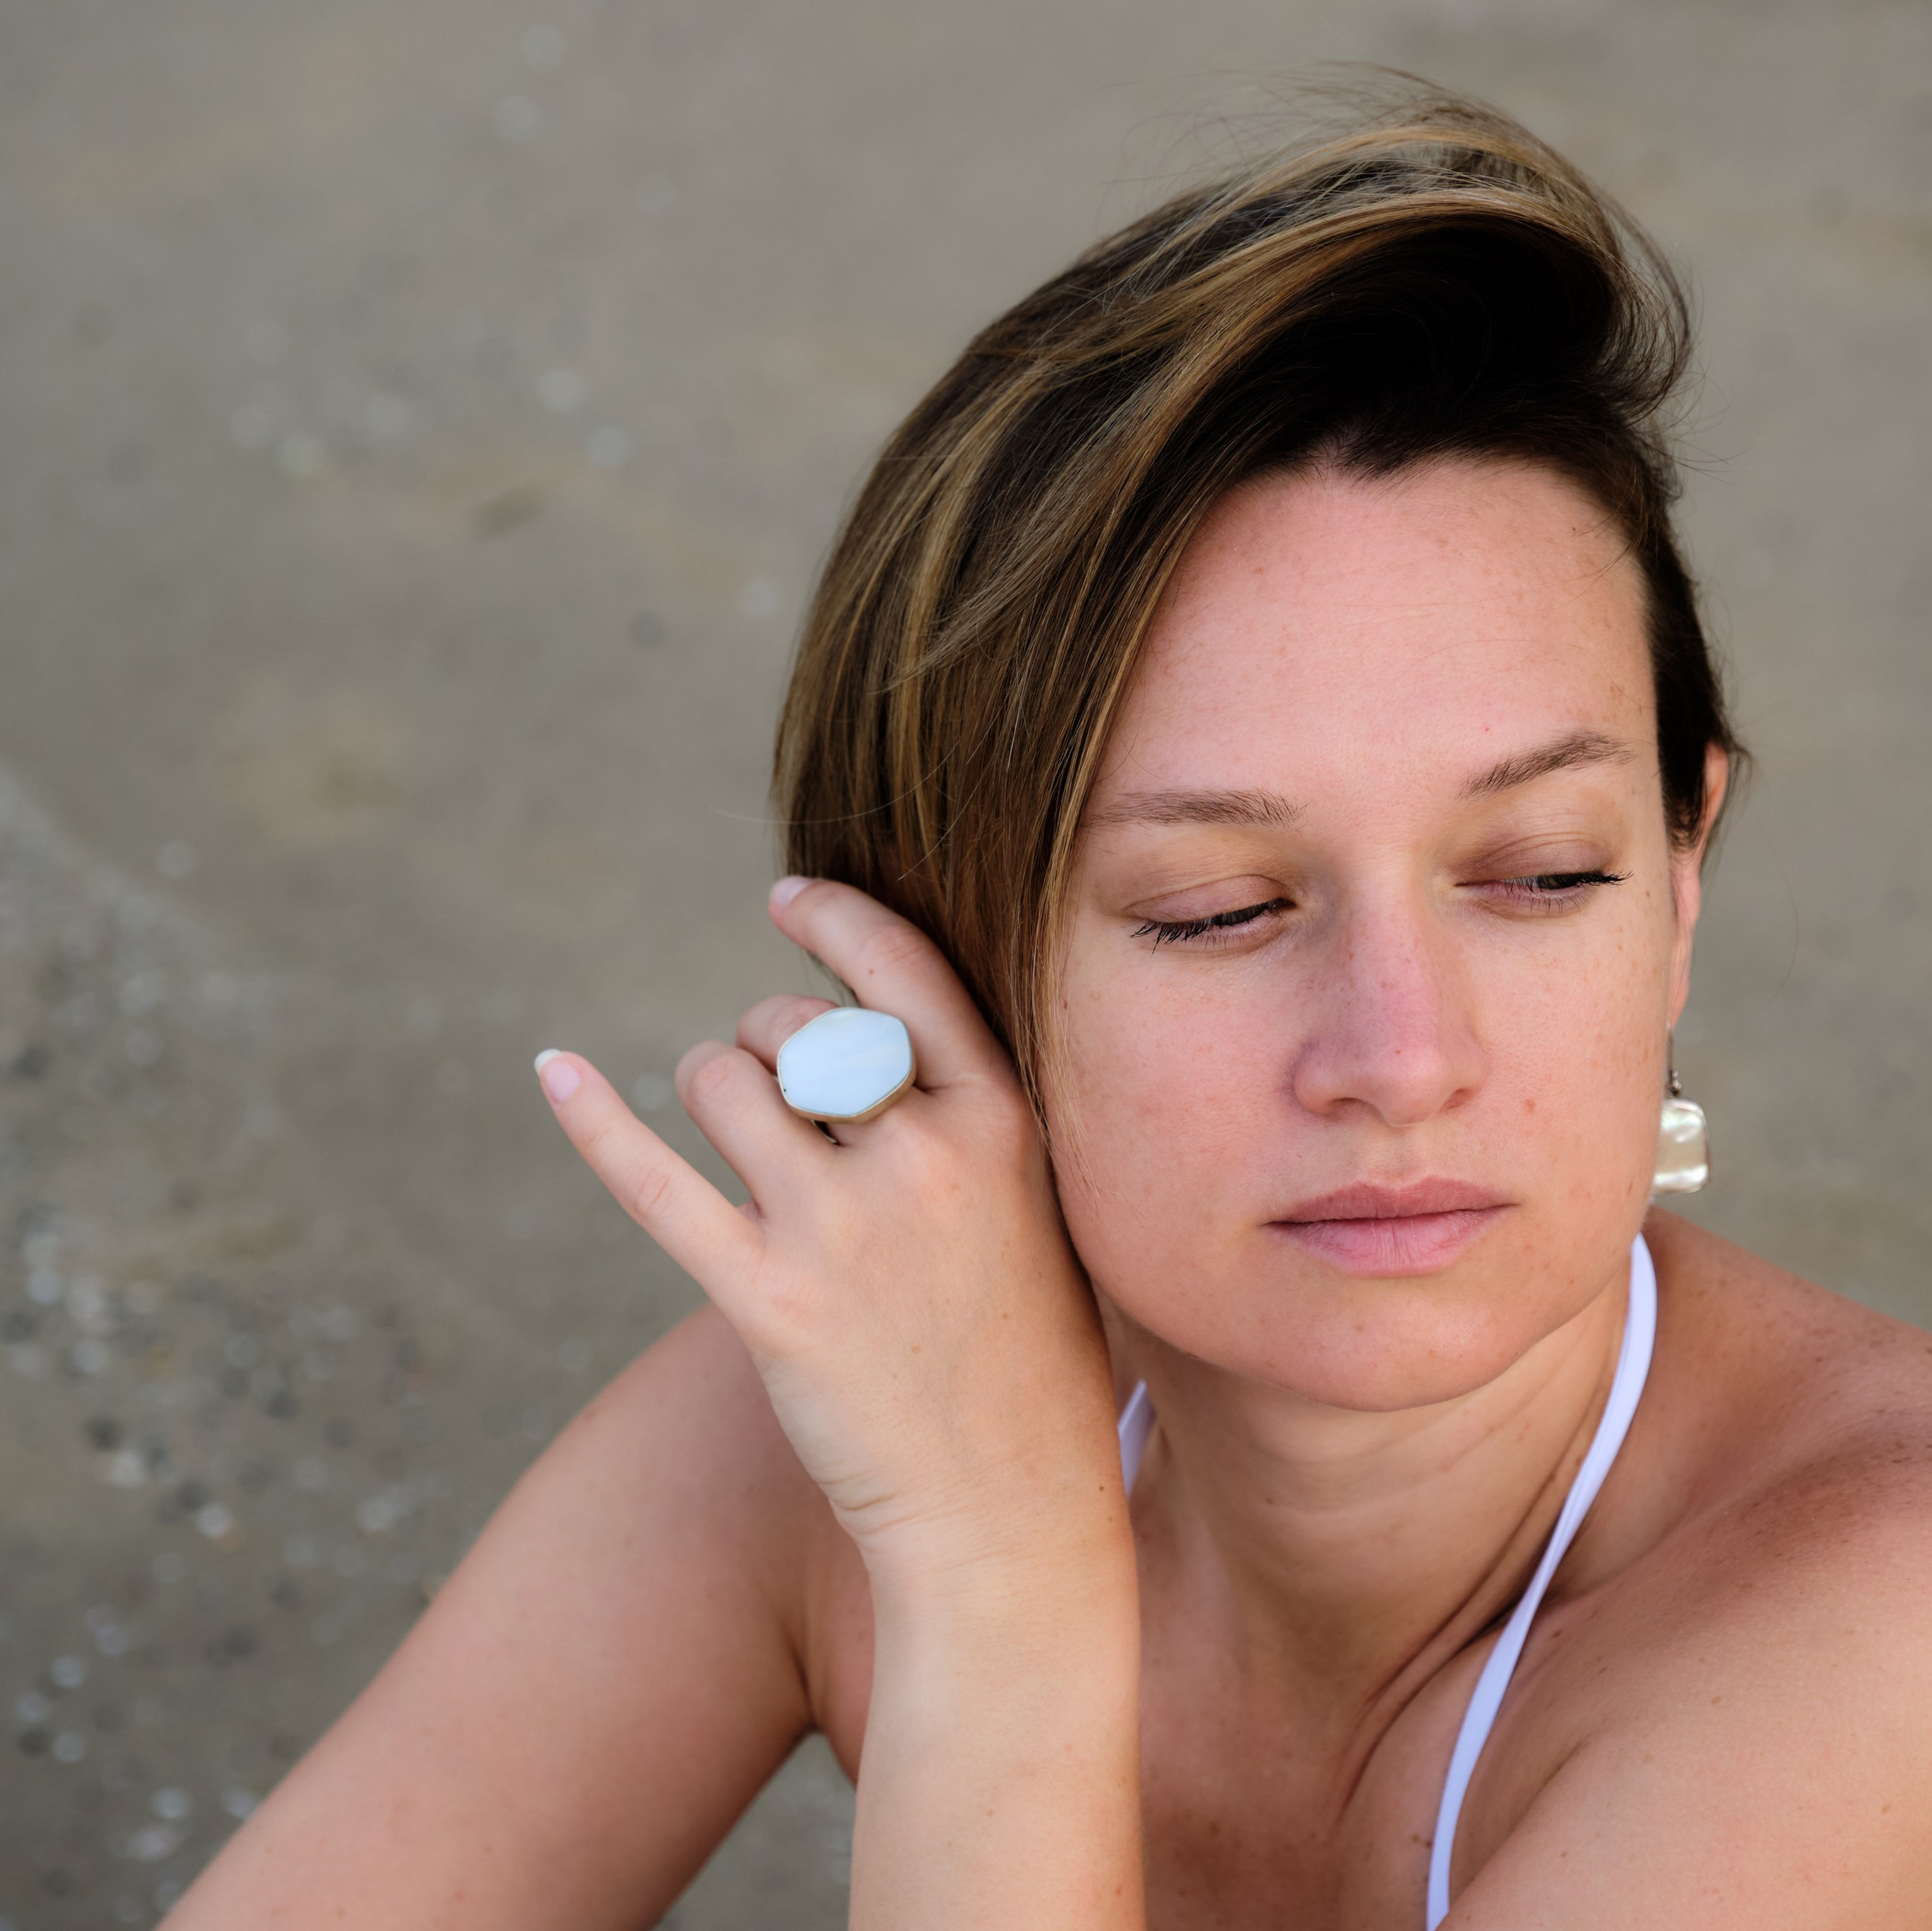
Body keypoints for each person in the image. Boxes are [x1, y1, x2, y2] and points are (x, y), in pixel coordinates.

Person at [169, 80, 1932, 1929]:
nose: (1403, 1056)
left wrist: (996, 1603)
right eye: (1215, 907)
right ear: (935, 961)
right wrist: (990, 1542)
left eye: (1542, 874)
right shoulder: (884, 1415)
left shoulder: (1875, 1618)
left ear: (1679, 877)